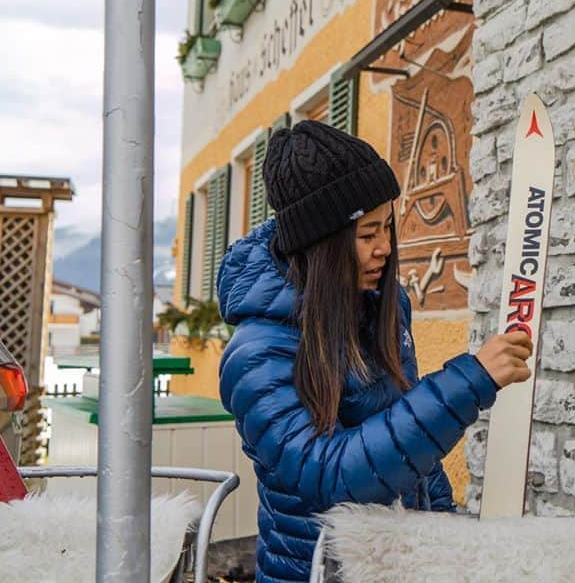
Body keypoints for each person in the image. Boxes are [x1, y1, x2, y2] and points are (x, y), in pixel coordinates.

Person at [217, 121, 532, 583]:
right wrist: (468, 383)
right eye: (367, 235)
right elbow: (330, 477)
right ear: (321, 244)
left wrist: (444, 532)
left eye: (387, 226)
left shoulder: (380, 308)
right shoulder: (257, 354)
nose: (385, 247)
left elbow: (411, 452)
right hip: (319, 572)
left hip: (397, 566)